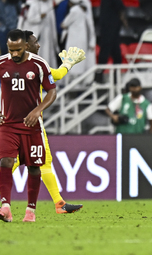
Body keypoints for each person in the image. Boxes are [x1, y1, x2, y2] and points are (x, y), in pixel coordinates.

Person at [10, 30, 85, 214]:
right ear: (26, 45)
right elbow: (57, 75)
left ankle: (59, 204)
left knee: (29, 162)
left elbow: (55, 76)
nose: (39, 45)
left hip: (13, 124)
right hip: (29, 124)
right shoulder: (34, 66)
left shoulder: (25, 65)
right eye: (35, 42)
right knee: (33, 162)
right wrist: (68, 63)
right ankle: (59, 204)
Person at [0, 29, 57, 222]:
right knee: (5, 161)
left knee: (34, 167)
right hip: (7, 123)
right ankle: (5, 206)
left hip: (32, 125)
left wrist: (37, 110)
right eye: (10, 50)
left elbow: (51, 92)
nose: (14, 54)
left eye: (17, 50)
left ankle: (30, 210)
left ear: (25, 46)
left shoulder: (39, 64)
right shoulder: (1, 63)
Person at [61, 0, 95, 83]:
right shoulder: (83, 11)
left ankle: (72, 82)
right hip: (82, 40)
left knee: (72, 63)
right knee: (80, 63)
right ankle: (79, 81)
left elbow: (64, 24)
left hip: (74, 40)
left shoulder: (74, 10)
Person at [17, 0, 59, 68]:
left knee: (46, 54)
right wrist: (40, 17)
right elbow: (27, 19)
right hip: (34, 35)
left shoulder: (47, 4)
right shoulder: (31, 4)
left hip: (45, 35)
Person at [94, 0, 128, 83]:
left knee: (116, 54)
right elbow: (120, 8)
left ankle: (115, 77)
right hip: (109, 27)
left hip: (112, 28)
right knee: (105, 53)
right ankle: (98, 76)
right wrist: (124, 21)